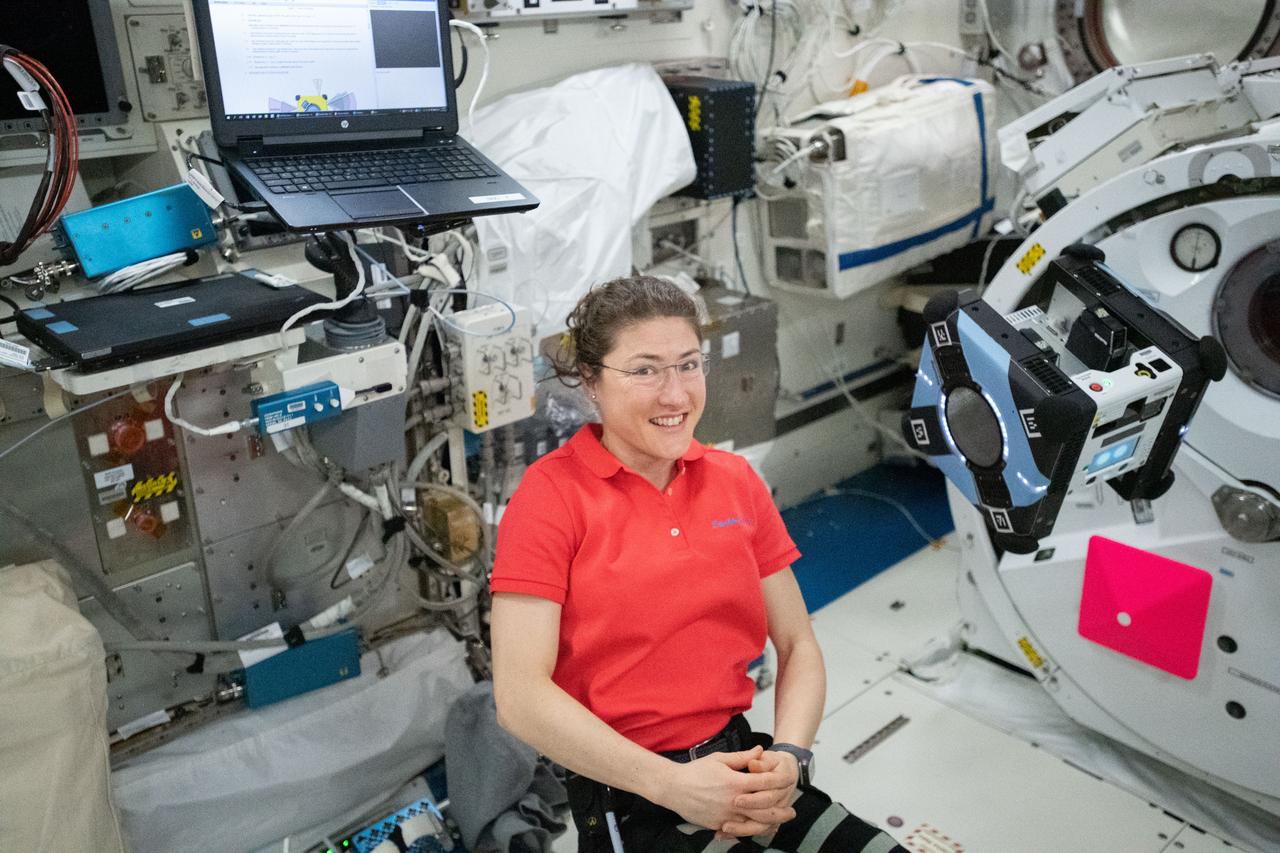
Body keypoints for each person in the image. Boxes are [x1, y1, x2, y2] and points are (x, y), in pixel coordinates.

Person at [490, 275, 905, 853]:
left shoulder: (734, 481)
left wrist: (791, 755)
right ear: (590, 380)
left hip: (743, 764)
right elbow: (519, 697)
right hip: (630, 791)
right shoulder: (551, 498)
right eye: (644, 370)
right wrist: (672, 785)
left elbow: (797, 644)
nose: (675, 395)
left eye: (688, 364)